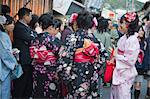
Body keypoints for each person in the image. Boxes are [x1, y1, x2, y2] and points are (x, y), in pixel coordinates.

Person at [58, 11, 107, 98]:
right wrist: (94, 69)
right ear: (91, 24)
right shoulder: (95, 40)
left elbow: (64, 61)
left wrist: (66, 78)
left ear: (76, 23)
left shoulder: (72, 38)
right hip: (91, 77)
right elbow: (103, 57)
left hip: (75, 77)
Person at [30, 14, 62, 98]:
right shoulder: (52, 39)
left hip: (37, 68)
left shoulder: (35, 38)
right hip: (50, 69)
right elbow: (60, 53)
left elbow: (33, 53)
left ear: (40, 24)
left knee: (38, 90)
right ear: (51, 25)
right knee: (50, 92)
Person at [110, 12, 140, 99]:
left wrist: (116, 56)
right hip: (119, 70)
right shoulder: (125, 37)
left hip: (125, 72)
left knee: (123, 95)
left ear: (128, 24)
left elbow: (130, 60)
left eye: (122, 23)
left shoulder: (132, 40)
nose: (120, 25)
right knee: (116, 94)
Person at [12, 7, 34, 98]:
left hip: (27, 59)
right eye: (30, 16)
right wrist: (32, 35)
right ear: (25, 16)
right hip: (23, 59)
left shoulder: (25, 27)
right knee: (21, 82)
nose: (31, 18)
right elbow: (31, 38)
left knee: (27, 82)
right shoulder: (19, 27)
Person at [0, 15, 18, 99]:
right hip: (3, 68)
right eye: (11, 23)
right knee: (4, 91)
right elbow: (5, 53)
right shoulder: (3, 36)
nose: (13, 25)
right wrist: (14, 64)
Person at [134, 25, 146, 99]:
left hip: (140, 66)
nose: (141, 32)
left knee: (138, 84)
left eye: (142, 30)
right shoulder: (132, 41)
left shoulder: (144, 42)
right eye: (139, 30)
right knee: (130, 84)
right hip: (131, 65)